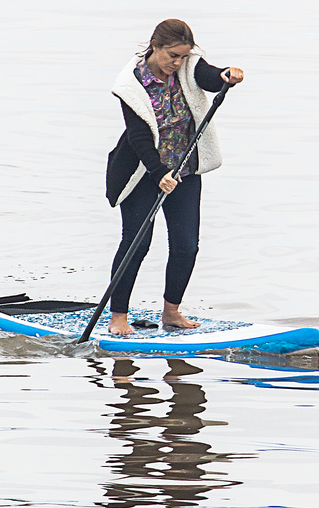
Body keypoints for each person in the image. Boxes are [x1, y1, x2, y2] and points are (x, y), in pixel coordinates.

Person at [103, 19, 244, 337]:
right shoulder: (130, 84)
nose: (177, 63)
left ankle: (171, 312)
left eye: (183, 56)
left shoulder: (188, 66)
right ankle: (118, 317)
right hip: (141, 172)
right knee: (136, 244)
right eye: (172, 56)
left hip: (184, 170)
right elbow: (139, 138)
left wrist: (225, 75)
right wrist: (159, 173)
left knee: (186, 246)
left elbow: (208, 76)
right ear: (156, 46)